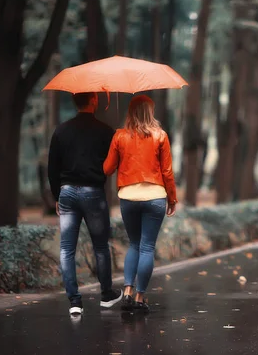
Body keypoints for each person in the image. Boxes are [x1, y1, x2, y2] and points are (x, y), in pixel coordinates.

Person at [47, 92, 123, 316]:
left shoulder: (61, 131)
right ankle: (107, 294)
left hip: (67, 193)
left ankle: (74, 301)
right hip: (93, 193)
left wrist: (56, 196)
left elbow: (53, 168)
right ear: (93, 101)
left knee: (66, 249)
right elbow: (114, 162)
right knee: (100, 246)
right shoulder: (105, 131)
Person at [103, 95, 177, 313]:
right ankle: (139, 297)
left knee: (134, 244)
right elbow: (167, 172)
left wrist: (116, 146)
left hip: (128, 197)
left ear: (130, 112)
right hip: (154, 197)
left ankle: (127, 289)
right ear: (150, 112)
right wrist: (172, 198)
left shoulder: (119, 136)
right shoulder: (160, 136)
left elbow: (107, 169)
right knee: (147, 247)